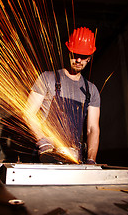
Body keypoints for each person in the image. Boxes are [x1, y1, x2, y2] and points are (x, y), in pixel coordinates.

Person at [25, 27, 101, 164]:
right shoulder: (48, 78)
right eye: (75, 54)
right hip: (45, 155)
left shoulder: (91, 90)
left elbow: (92, 129)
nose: (78, 59)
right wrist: (43, 142)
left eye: (83, 56)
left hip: (74, 157)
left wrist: (91, 160)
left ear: (90, 57)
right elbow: (28, 113)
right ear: (68, 51)